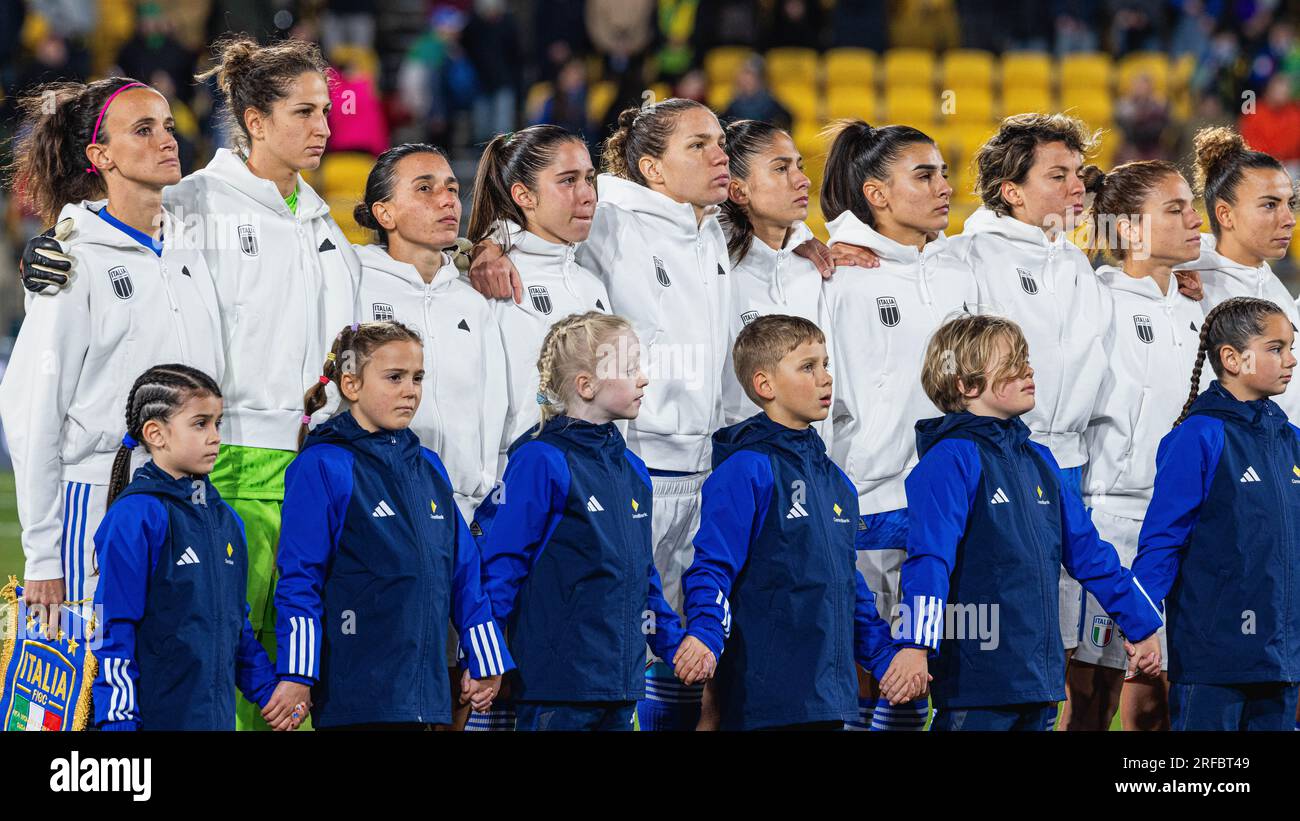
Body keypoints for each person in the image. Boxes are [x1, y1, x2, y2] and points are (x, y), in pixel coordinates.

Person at [0, 78, 222, 643]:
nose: (166, 140)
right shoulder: (71, 260)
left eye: (168, 126)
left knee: (161, 680)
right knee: (75, 684)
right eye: (142, 130)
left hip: (182, 496)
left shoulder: (193, 248)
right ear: (101, 156)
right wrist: (44, 554)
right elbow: (34, 413)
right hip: (94, 501)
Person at [890, 313, 1165, 731]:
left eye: (1027, 359)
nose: (1029, 369)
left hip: (1038, 681)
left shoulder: (1039, 460)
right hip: (976, 683)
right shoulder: (949, 461)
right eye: (1013, 363)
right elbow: (928, 562)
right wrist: (915, 644)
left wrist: (1140, 624)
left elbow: (1090, 555)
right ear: (967, 386)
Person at [677, 314, 922, 730]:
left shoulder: (836, 482)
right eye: (808, 367)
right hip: (765, 702)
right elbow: (711, 568)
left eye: (826, 364)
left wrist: (885, 658)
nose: (825, 378)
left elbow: (848, 586)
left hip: (830, 700)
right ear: (764, 386)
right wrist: (704, 632)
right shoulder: (745, 470)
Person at [269, 322, 511, 729]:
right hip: (356, 697)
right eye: (394, 377)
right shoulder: (324, 464)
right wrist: (297, 674)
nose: (410, 390)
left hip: (425, 697)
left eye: (417, 378)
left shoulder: (429, 466)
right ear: (351, 384)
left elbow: (463, 574)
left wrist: (485, 657)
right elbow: (299, 579)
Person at [820, 120, 979, 731]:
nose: (944, 186)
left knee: (927, 674)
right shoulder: (834, 276)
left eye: (943, 172)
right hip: (867, 497)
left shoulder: (958, 271)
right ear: (876, 194)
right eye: (924, 175)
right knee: (867, 674)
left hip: (949, 506)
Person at [479, 312, 689, 731]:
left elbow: (642, 576)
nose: (643, 378)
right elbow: (501, 568)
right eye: (629, 369)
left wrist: (676, 647)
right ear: (586, 385)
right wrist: (484, 658)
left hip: (621, 684)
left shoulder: (632, 469)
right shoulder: (541, 459)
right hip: (557, 687)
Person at [1069, 161, 1207, 730]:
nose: (1193, 220)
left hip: (1188, 524)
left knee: (1161, 696)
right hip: (1112, 521)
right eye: (1173, 210)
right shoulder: (1096, 300)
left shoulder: (1203, 306)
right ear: (1128, 230)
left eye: (1190, 206)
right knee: (1093, 697)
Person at [92, 365, 301, 731]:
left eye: (218, 423)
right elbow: (112, 629)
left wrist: (267, 691)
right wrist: (118, 719)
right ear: (156, 434)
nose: (215, 437)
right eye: (200, 423)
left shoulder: (225, 519)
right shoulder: (136, 516)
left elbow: (236, 627)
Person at [1133, 297, 1300, 731]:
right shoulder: (1198, 437)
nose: (1291, 359)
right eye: (1276, 348)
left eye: (1291, 347)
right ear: (1232, 358)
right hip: (1214, 659)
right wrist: (1142, 624)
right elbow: (1162, 542)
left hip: (1283, 656)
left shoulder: (1291, 441)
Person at [352, 142, 506, 518]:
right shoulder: (351, 284)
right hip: (377, 506)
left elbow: (493, 405)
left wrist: (484, 487)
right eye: (425, 188)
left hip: (463, 511)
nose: (447, 200)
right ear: (384, 212)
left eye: (452, 189)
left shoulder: (471, 301)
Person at [465, 125, 609, 469]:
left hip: (593, 482)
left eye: (589, 178)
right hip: (521, 485)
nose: (587, 194)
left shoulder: (592, 284)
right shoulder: (495, 283)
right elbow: (484, 407)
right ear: (524, 195)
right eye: (568, 180)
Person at [1175, 127, 1300, 422]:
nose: (1289, 220)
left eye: (1290, 204)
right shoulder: (1185, 280)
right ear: (1225, 214)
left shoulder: (1274, 288)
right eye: (1270, 205)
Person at [719, 119, 826, 427]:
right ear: (738, 190)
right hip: (737, 462)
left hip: (811, 461)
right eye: (781, 169)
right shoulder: (711, 273)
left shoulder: (814, 269)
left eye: (799, 167)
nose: (803, 180)